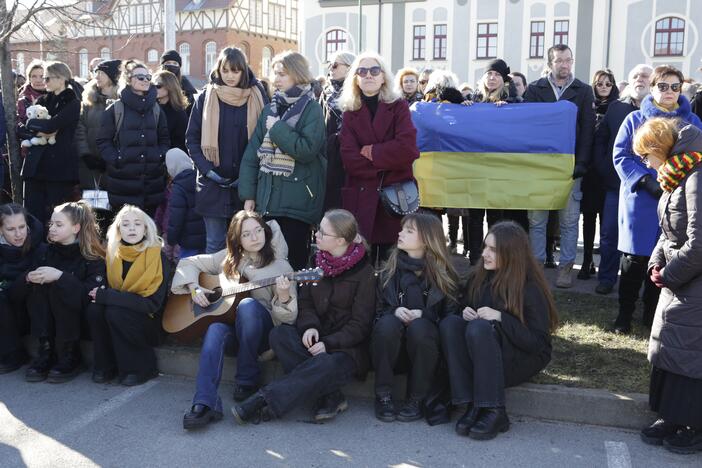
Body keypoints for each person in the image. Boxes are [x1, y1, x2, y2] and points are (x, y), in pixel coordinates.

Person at [231, 209, 376, 425]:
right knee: (279, 335)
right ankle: (330, 395)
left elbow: (360, 325)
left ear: (340, 241)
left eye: (322, 233)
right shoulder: (317, 259)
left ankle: (264, 400)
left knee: (326, 364)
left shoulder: (365, 273)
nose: (316, 235)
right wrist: (310, 327)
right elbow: (306, 302)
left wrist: (328, 343)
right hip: (315, 339)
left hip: (346, 349)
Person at [171, 211, 296, 429]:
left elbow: (289, 318)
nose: (255, 237)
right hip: (236, 333)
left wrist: (284, 297)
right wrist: (194, 287)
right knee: (215, 330)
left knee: (248, 306)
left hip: (263, 337)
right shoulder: (228, 259)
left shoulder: (281, 266)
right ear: (237, 240)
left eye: (258, 230)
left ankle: (247, 380)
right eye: (247, 234)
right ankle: (204, 402)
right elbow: (189, 263)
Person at [440, 221, 558, 440]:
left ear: (511, 253)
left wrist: (500, 317)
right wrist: (463, 311)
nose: (484, 253)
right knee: (451, 324)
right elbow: (460, 307)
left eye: (493, 250)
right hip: (485, 352)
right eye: (485, 247)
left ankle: (494, 409)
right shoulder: (479, 276)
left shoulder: (529, 288)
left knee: (479, 328)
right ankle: (471, 404)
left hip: (521, 357)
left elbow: (538, 343)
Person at [612, 65, 702, 334]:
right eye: (663, 86)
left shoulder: (693, 121)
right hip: (641, 199)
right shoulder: (635, 119)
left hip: (679, 198)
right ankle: (624, 314)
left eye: (675, 87)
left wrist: (675, 182)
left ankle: (652, 313)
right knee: (634, 259)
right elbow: (621, 156)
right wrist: (646, 180)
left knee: (667, 254)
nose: (669, 92)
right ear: (652, 89)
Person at [631, 119, 702, 455]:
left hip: (692, 281)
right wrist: (656, 263)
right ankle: (671, 416)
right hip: (679, 278)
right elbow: (667, 230)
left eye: (647, 154)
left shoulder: (696, 176)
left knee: (689, 354)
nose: (646, 163)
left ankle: (693, 424)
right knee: (672, 349)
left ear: (660, 148)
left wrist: (670, 273)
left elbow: (699, 243)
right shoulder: (677, 175)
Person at [238, 51, 326, 270]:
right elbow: (252, 154)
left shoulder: (312, 109)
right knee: (264, 266)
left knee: (291, 267)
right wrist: (248, 194)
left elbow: (306, 150)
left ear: (297, 74)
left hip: (297, 206)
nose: (276, 79)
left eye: (282, 74)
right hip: (267, 202)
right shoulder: (270, 108)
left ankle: (290, 305)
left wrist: (277, 129)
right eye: (275, 74)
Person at [372, 212, 459, 422]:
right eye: (402, 229)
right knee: (387, 324)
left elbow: (451, 320)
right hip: (391, 349)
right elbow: (376, 312)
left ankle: (417, 399)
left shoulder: (445, 276)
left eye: (409, 231)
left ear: (427, 240)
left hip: (426, 353)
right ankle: (383, 395)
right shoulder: (388, 270)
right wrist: (394, 311)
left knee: (420, 327)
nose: (400, 233)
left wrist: (425, 314)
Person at [524, 44, 595, 288]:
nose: (564, 65)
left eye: (567, 60)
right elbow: (528, 127)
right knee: (537, 220)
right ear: (550, 63)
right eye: (559, 60)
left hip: (570, 166)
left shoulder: (583, 91)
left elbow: (587, 130)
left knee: (569, 220)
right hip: (539, 167)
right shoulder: (535, 89)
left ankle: (565, 268)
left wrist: (583, 162)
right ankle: (537, 267)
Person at [338, 52, 419, 264]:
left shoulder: (399, 106)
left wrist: (372, 152)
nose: (368, 75)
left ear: (384, 76)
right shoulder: (349, 112)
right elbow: (349, 159)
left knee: (391, 263)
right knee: (361, 264)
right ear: (355, 78)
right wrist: (388, 162)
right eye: (362, 71)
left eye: (375, 70)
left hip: (394, 198)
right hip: (361, 198)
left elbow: (408, 149)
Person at [186, 47, 267, 254]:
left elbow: (265, 140)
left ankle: (241, 286)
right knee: (214, 244)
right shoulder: (206, 96)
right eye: (226, 70)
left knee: (246, 245)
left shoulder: (257, 96)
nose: (230, 76)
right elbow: (192, 138)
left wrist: (248, 176)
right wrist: (207, 170)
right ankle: (216, 287)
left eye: (235, 70)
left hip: (245, 186)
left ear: (244, 71)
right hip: (212, 184)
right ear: (219, 70)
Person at [17, 201, 106, 383]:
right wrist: (30, 277)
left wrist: (60, 277)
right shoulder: (45, 252)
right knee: (38, 289)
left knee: (60, 288)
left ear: (75, 228)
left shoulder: (91, 256)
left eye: (59, 225)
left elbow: (87, 296)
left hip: (79, 319)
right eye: (51, 224)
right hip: (48, 318)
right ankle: (46, 350)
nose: (52, 228)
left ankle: (70, 354)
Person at [86, 205, 169, 386]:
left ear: (146, 228)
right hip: (120, 313)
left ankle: (142, 368)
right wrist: (103, 296)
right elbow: (107, 293)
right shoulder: (113, 254)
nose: (132, 228)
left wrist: (108, 297)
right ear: (118, 229)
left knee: (116, 311)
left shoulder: (158, 256)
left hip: (150, 320)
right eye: (126, 224)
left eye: (137, 224)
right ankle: (106, 365)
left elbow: (152, 304)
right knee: (95, 310)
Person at [593, 65, 653, 297]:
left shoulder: (661, 111)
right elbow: (602, 139)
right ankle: (607, 278)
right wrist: (602, 165)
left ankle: (646, 286)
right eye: (635, 76)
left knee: (646, 238)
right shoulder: (617, 108)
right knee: (609, 233)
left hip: (651, 189)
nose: (640, 79)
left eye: (645, 76)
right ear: (629, 81)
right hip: (616, 185)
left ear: (653, 81)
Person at [466, 59, 526, 262]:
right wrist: (463, 108)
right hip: (475, 167)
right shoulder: (473, 100)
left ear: (504, 80)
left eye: (497, 75)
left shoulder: (514, 101)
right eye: (489, 74)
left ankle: (492, 257)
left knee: (495, 217)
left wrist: (507, 110)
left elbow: (519, 126)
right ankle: (475, 258)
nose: (492, 78)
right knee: (474, 217)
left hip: (499, 168)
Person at [96, 60, 170, 216]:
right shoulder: (115, 109)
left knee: (149, 232)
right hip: (122, 182)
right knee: (125, 231)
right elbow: (103, 141)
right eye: (140, 77)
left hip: (152, 183)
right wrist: (117, 159)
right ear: (128, 79)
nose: (145, 81)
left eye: (148, 77)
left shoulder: (156, 109)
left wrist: (159, 156)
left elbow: (164, 139)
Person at [21, 61, 82, 228]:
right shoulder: (42, 100)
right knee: (32, 216)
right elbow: (25, 126)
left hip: (58, 169)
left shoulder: (73, 102)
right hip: (36, 167)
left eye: (47, 78)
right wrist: (38, 127)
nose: (43, 81)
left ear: (61, 78)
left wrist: (43, 127)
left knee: (55, 216)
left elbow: (51, 126)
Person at [421, 70, 468, 255]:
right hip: (449, 163)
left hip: (429, 162)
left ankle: (431, 249)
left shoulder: (425, 103)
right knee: (444, 209)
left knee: (430, 209)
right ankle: (440, 248)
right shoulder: (456, 104)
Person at [579, 69, 620, 285]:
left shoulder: (618, 107)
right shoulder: (588, 105)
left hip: (607, 170)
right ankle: (586, 261)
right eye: (600, 84)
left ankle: (605, 264)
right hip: (589, 171)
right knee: (588, 218)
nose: (603, 87)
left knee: (607, 222)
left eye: (608, 84)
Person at [75, 59, 121, 230]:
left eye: (101, 72)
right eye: (96, 72)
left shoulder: (121, 100)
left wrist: (110, 158)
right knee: (93, 211)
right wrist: (86, 154)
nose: (97, 76)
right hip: (90, 165)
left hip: (113, 164)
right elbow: (80, 128)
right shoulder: (89, 99)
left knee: (113, 210)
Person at [0, 204, 44, 374]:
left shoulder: (39, 246)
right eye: (10, 229)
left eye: (22, 227)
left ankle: (38, 352)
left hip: (29, 308)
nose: (18, 234)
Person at [320, 50, 355, 211]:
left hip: (353, 155)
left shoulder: (358, 92)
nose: (330, 69)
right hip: (330, 154)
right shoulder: (326, 93)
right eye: (329, 65)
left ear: (349, 67)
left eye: (335, 65)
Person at [165, 149, 205, 258]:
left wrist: (171, 239)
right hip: (205, 238)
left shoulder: (178, 188)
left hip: (188, 242)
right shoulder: (200, 178)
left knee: (187, 270)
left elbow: (176, 217)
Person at [153, 70, 188, 152]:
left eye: (158, 86)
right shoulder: (150, 108)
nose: (154, 88)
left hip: (170, 158)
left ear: (170, 86)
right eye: (152, 85)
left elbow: (182, 143)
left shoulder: (179, 113)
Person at [160, 49, 198, 114]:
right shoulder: (156, 82)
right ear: (162, 65)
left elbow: (191, 111)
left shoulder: (185, 85)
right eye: (168, 63)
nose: (171, 65)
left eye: (175, 63)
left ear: (179, 66)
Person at [16, 60, 46, 125]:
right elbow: (19, 126)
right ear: (29, 78)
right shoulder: (22, 102)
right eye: (34, 76)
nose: (38, 80)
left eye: (42, 77)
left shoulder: (56, 96)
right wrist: (33, 108)